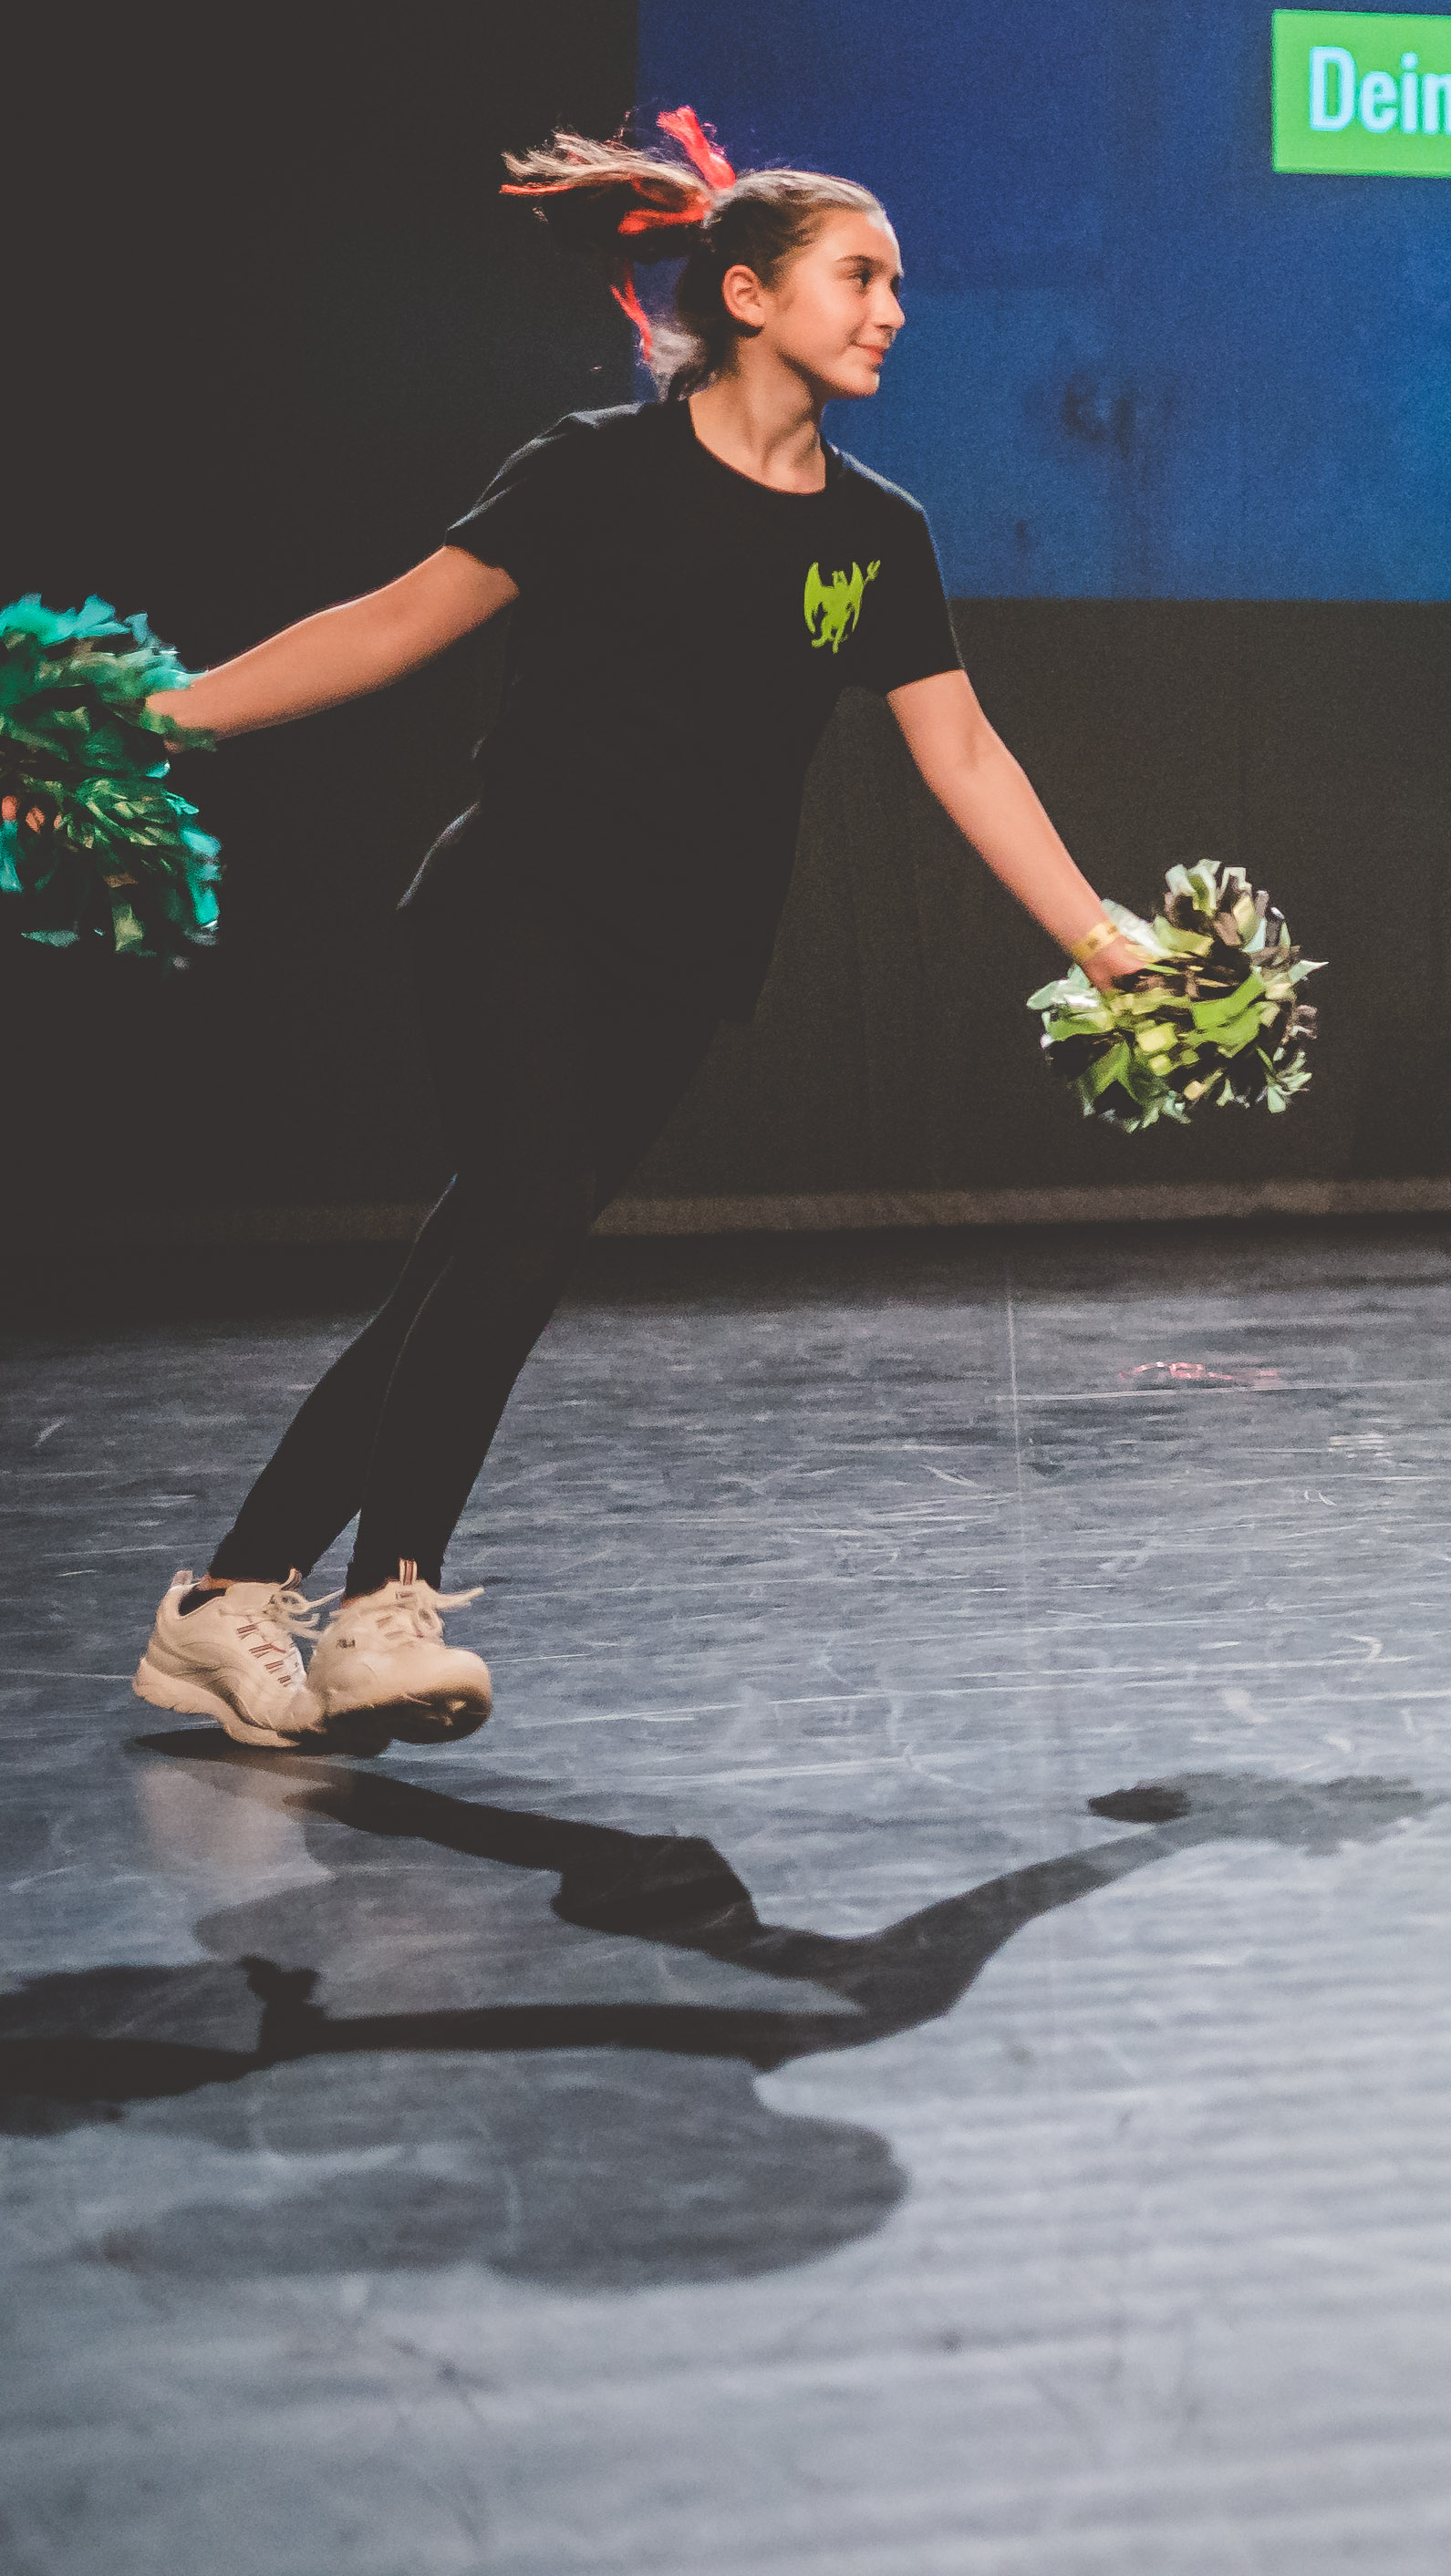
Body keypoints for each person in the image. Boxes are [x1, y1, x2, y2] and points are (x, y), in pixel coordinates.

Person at [127, 121, 1156, 1754]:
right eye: (860, 278)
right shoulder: (595, 469)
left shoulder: (876, 533)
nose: (893, 311)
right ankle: (387, 1604)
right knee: (524, 1218)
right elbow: (390, 627)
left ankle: (230, 1595)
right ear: (748, 295)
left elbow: (963, 752)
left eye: (897, 285)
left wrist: (1100, 936)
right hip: (515, 912)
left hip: (683, 965)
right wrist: (151, 722)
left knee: (477, 1260)